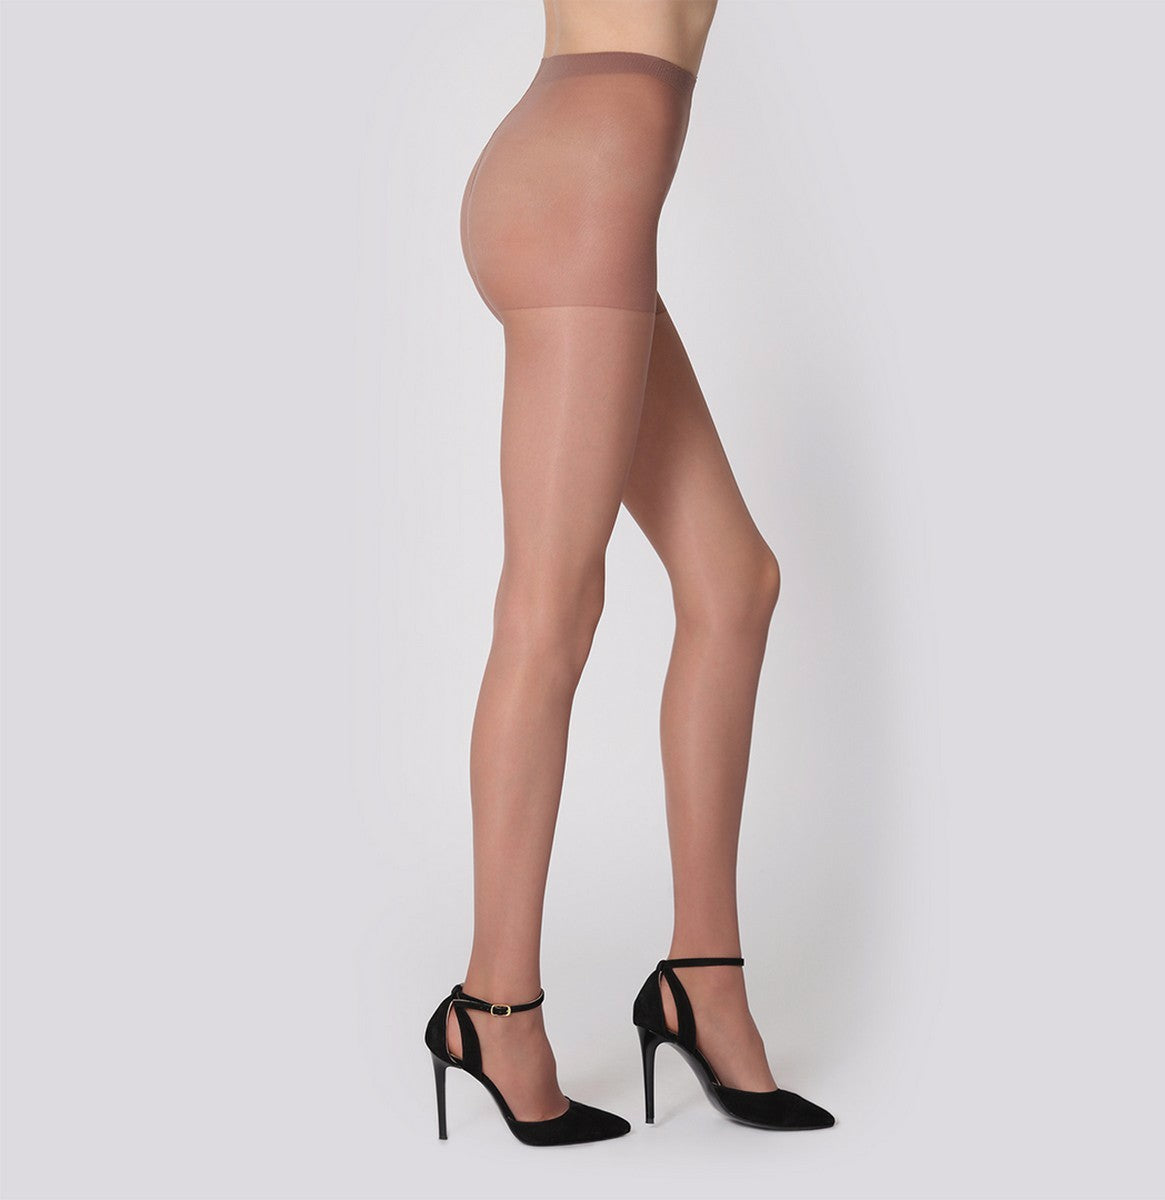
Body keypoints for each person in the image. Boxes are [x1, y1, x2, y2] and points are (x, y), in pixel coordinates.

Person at [424, 0, 835, 1144]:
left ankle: (704, 982)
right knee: (552, 606)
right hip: (587, 182)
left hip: (580, 169)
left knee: (734, 583)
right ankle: (493, 1009)